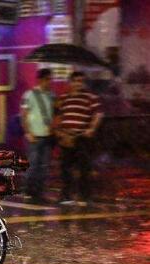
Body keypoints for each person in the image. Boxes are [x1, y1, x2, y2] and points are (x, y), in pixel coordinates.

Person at [54, 71, 103, 206]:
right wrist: (59, 132)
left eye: (81, 81)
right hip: (66, 137)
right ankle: (66, 196)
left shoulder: (90, 97)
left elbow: (98, 114)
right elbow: (58, 115)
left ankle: (85, 196)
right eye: (75, 81)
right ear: (70, 82)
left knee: (84, 168)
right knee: (66, 169)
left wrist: (92, 128)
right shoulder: (63, 98)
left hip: (82, 137)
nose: (78, 83)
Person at [21, 68, 55, 204]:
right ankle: (28, 191)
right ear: (40, 80)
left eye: (50, 79)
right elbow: (24, 115)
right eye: (47, 79)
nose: (49, 82)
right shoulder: (29, 95)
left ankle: (39, 192)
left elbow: (55, 114)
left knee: (44, 166)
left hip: (47, 136)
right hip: (34, 137)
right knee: (33, 165)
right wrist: (28, 132)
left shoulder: (52, 96)